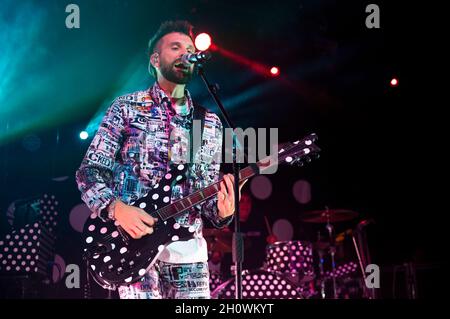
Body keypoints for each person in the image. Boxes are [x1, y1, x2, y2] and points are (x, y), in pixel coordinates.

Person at [75, 20, 244, 299]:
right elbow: (89, 171)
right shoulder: (126, 108)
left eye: (190, 49)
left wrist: (224, 210)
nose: (184, 54)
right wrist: (116, 208)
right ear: (155, 59)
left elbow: (209, 206)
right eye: (175, 47)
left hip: (189, 255)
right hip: (134, 246)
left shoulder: (209, 123)